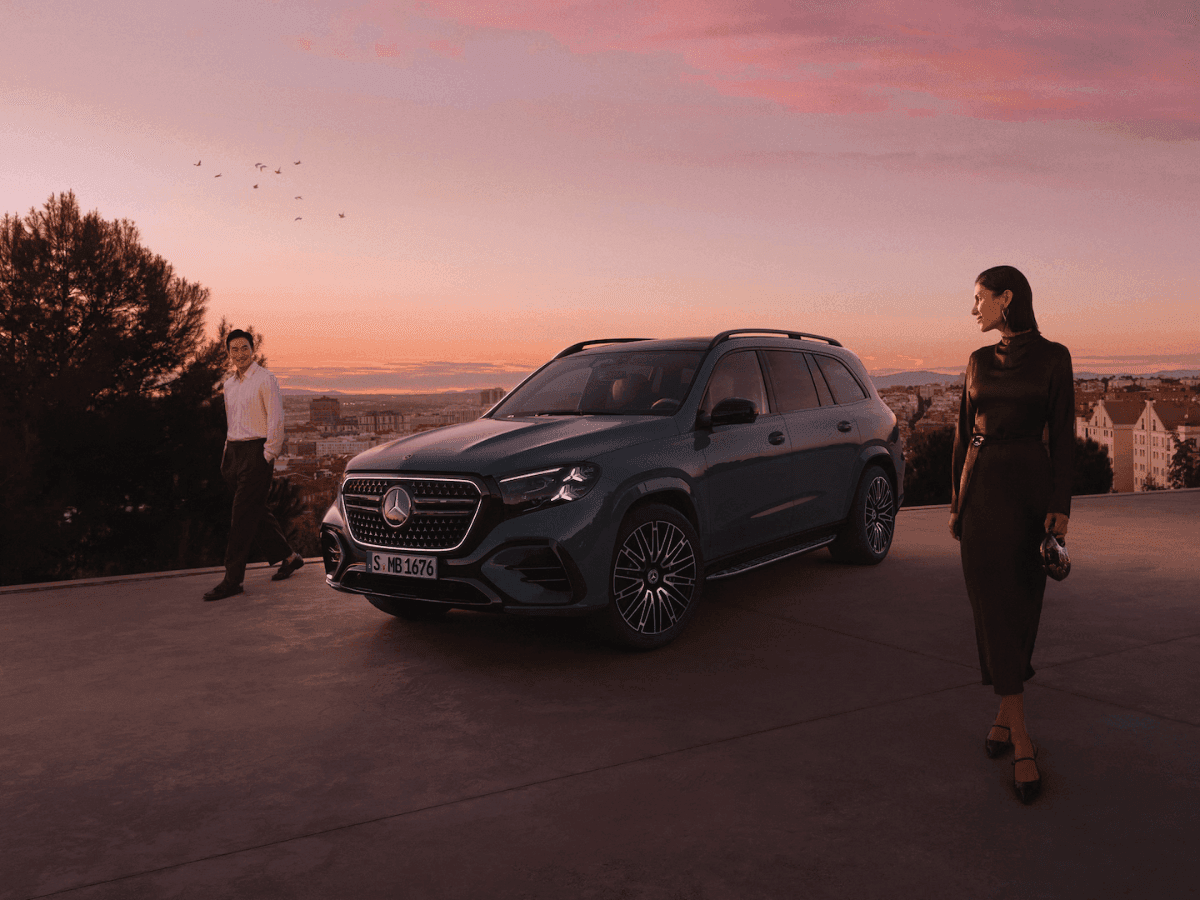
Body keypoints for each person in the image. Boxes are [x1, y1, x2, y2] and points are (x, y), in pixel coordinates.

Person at [949, 265, 1074, 804]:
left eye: (979, 298)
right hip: (980, 498)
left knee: (1022, 607)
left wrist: (1060, 506)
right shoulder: (976, 362)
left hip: (1030, 495)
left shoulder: (1054, 357)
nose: (973, 308)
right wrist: (956, 504)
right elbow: (961, 437)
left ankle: (1004, 715)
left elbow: (1065, 434)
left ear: (1007, 299)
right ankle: (1022, 736)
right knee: (993, 609)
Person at [204, 330, 304, 601]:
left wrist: (267, 454)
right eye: (233, 349)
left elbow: (276, 420)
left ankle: (232, 580)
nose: (239, 354)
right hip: (234, 454)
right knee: (255, 511)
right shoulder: (229, 385)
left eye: (244, 348)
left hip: (256, 453)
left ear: (252, 349)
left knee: (240, 519)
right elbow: (232, 422)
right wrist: (227, 454)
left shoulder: (265, 380)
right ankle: (290, 557)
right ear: (228, 353)